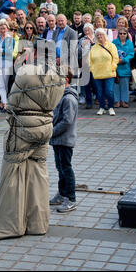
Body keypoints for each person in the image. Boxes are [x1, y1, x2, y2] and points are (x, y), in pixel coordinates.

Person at [0, 47, 66, 240]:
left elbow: (11, 104)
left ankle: (10, 226)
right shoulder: (60, 77)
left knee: (12, 174)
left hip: (23, 128)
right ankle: (37, 224)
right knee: (38, 174)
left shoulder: (25, 73)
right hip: (45, 128)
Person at [49, 67, 78, 213]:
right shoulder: (60, 95)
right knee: (60, 168)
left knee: (66, 168)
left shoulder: (69, 98)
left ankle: (71, 198)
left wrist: (51, 132)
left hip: (64, 140)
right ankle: (61, 194)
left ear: (65, 80)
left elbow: (67, 122)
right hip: (57, 139)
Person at [90, 28, 119, 116]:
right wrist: (92, 70)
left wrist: (113, 67)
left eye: (101, 35)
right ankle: (101, 107)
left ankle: (111, 107)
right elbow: (90, 60)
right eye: (97, 35)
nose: (99, 37)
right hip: (97, 73)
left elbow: (115, 58)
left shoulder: (111, 45)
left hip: (109, 72)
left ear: (105, 35)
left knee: (109, 91)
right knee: (99, 91)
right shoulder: (94, 47)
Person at [113, 27, 134, 108]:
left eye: (124, 33)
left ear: (127, 34)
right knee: (116, 85)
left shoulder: (129, 43)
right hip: (116, 66)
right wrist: (117, 60)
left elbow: (131, 54)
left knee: (124, 85)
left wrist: (124, 60)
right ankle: (117, 101)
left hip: (125, 66)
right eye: (120, 33)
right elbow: (111, 52)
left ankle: (124, 100)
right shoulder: (114, 42)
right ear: (118, 34)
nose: (122, 35)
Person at [78, 23, 95, 108]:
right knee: (87, 84)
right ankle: (89, 102)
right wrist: (81, 48)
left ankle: (100, 101)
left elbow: (98, 49)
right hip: (85, 64)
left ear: (92, 30)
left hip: (95, 65)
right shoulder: (82, 40)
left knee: (95, 85)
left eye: (88, 30)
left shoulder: (96, 38)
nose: (87, 32)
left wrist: (91, 42)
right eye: (85, 30)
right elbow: (78, 53)